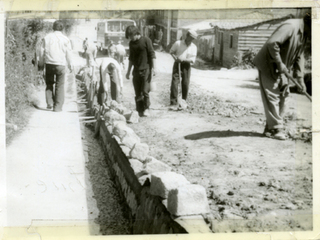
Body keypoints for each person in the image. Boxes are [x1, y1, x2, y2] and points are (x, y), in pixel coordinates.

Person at [253, 14, 311, 140]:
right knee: (272, 96)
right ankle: (276, 129)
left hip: (282, 68)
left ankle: (270, 128)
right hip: (269, 64)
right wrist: (280, 63)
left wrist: (300, 79)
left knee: (284, 96)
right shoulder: (291, 26)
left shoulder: (306, 33)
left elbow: (300, 56)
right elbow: (272, 43)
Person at [40, 20, 73, 112]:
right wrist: (70, 65)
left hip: (49, 64)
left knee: (49, 84)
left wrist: (41, 64)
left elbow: (41, 52)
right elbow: (68, 53)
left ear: (53, 27)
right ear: (62, 29)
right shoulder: (66, 39)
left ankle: (50, 103)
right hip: (60, 65)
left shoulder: (46, 38)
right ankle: (57, 107)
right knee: (60, 85)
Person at [125, 25, 156, 117]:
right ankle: (139, 110)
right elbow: (131, 58)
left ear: (136, 33)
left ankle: (146, 109)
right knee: (137, 91)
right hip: (136, 70)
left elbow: (152, 55)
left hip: (146, 69)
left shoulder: (146, 40)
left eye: (131, 36)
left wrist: (154, 68)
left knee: (145, 91)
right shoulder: (131, 43)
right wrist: (128, 71)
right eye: (129, 37)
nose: (130, 38)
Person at [169, 30, 198, 106]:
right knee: (175, 82)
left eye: (193, 39)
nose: (191, 40)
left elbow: (192, 60)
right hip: (177, 63)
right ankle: (173, 102)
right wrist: (176, 58)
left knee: (185, 83)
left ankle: (183, 101)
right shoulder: (178, 43)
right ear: (187, 35)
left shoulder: (194, 47)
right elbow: (171, 52)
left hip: (186, 65)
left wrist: (184, 60)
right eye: (191, 37)